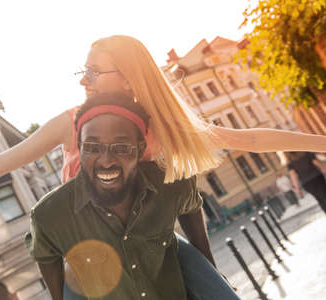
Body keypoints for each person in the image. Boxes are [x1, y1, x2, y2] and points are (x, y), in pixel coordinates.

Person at [0, 34, 325, 297]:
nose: (84, 81)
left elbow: (247, 137)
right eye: (84, 72)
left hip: (159, 252)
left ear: (129, 78)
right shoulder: (72, 123)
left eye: (95, 72)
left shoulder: (160, 127)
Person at [26, 92, 238, 300]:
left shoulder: (172, 183)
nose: (106, 161)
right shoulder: (50, 215)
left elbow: (191, 208)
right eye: (92, 147)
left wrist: (212, 276)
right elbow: (45, 256)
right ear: (79, 148)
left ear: (140, 148)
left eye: (120, 147)